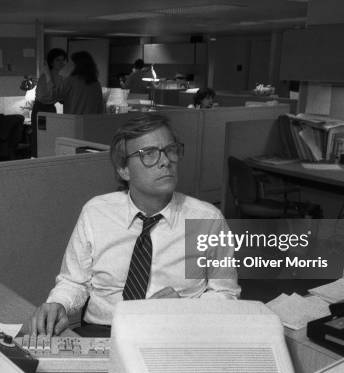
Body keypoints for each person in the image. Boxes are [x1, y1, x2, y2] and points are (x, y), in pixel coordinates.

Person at [30, 114, 240, 336]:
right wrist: (58, 303)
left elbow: (226, 294)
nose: (165, 161)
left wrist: (186, 308)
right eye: (148, 154)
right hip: (104, 330)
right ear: (124, 170)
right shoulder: (96, 212)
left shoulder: (207, 220)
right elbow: (74, 280)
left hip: (175, 331)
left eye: (170, 150)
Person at [31, 48, 68, 157]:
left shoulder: (61, 78)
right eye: (58, 60)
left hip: (51, 108)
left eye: (63, 60)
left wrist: (57, 95)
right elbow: (45, 97)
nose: (61, 63)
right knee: (39, 137)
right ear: (51, 62)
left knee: (52, 136)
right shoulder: (45, 76)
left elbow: (60, 98)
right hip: (40, 108)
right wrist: (50, 80)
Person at [45, 50, 104, 115]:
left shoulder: (70, 81)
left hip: (73, 122)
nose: (66, 65)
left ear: (77, 66)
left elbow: (52, 95)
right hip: (90, 123)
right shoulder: (96, 84)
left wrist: (47, 74)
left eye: (71, 63)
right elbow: (100, 109)